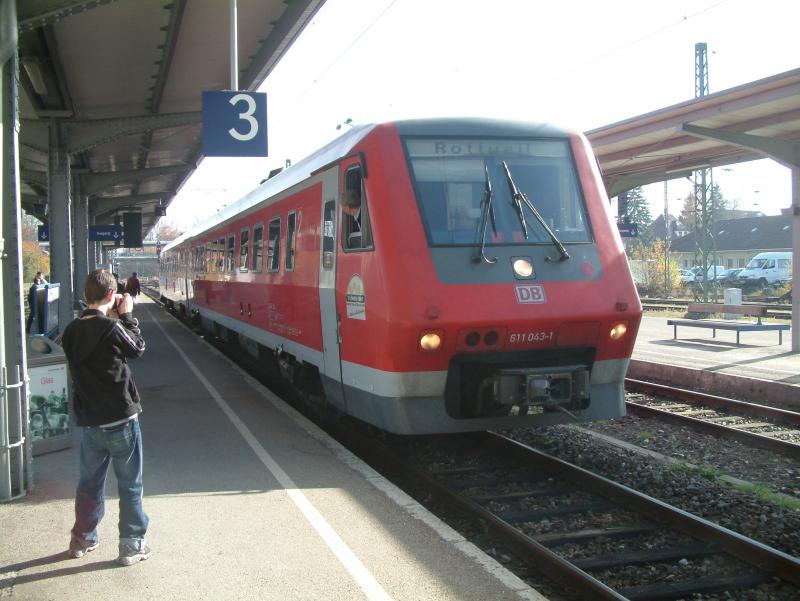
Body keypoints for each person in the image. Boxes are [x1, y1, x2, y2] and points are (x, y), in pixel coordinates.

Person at [61, 269, 150, 566]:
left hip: (89, 422)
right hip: (120, 420)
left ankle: (82, 539)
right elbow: (137, 348)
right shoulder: (112, 329)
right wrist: (127, 317)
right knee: (130, 484)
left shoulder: (71, 331)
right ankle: (131, 545)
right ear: (111, 295)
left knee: (89, 483)